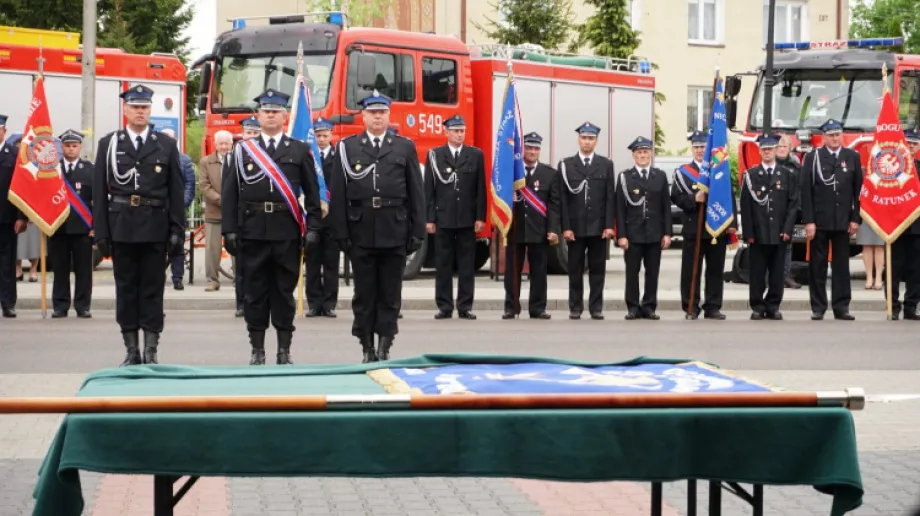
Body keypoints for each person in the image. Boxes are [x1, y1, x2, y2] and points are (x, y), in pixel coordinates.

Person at [221, 89, 322, 366]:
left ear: (284, 116)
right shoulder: (242, 150)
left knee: (284, 293)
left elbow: (313, 194)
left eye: (275, 111)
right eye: (266, 111)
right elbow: (231, 193)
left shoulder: (299, 150)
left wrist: (313, 227)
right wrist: (229, 230)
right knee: (254, 293)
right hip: (252, 231)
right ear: (258, 115)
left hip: (286, 232)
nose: (270, 116)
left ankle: (283, 350)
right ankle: (257, 350)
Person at [328, 91, 425, 363]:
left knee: (390, 293)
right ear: (364, 116)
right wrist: (341, 232)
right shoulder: (348, 148)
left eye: (382, 112)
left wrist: (417, 231)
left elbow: (416, 193)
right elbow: (339, 193)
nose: (378, 117)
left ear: (389, 115)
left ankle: (385, 344)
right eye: (372, 113)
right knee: (364, 294)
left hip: (394, 230)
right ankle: (366, 346)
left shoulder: (404, 147)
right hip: (360, 231)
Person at [92, 84, 186, 365]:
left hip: (155, 227)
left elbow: (176, 191)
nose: (140, 111)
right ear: (125, 109)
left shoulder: (165, 145)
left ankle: (151, 349)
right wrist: (101, 232)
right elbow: (99, 192)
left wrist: (177, 230)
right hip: (121, 227)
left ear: (150, 110)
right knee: (126, 289)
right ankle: (131, 349)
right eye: (135, 107)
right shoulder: (109, 144)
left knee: (153, 289)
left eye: (144, 107)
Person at [800, 119, 862, 320]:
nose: (835, 138)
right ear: (824, 137)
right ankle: (818, 307)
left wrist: (855, 219)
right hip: (819, 220)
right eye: (831, 135)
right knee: (817, 265)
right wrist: (809, 220)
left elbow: (858, 192)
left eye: (837, 135)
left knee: (841, 266)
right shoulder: (813, 157)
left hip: (843, 220)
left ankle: (841, 307)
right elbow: (806, 191)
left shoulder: (852, 156)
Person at [425, 114, 486, 320]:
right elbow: (429, 190)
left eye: (462, 131)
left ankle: (465, 306)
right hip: (444, 218)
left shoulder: (475, 155)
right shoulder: (435, 155)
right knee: (443, 264)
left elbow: (480, 189)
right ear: (447, 132)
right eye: (456, 131)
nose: (460, 135)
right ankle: (444, 306)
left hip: (467, 219)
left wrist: (480, 217)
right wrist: (429, 218)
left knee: (467, 265)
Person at [671, 130, 732, 320]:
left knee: (715, 270)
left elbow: (729, 198)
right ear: (692, 149)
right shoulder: (683, 172)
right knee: (691, 271)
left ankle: (712, 307)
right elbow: (676, 197)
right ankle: (691, 306)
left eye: (703, 147)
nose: (699, 150)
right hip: (693, 229)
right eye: (696, 147)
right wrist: (693, 199)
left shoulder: (719, 170)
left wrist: (732, 224)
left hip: (716, 228)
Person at [558, 122, 616, 320]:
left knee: (597, 270)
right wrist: (565, 227)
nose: (587, 142)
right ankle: (575, 307)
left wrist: (609, 225)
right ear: (578, 140)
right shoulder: (566, 165)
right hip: (575, 228)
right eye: (584, 138)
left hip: (598, 227)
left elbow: (609, 197)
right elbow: (563, 199)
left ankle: (596, 308)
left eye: (591, 138)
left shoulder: (606, 165)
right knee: (575, 270)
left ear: (596, 141)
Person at [502, 132, 561, 320]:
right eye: (529, 148)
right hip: (516, 228)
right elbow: (499, 195)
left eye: (536, 148)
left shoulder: (549, 174)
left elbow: (554, 205)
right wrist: (508, 198)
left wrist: (553, 229)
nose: (532, 151)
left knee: (539, 272)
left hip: (539, 229)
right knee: (512, 272)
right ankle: (511, 307)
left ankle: (537, 308)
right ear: (523, 149)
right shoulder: (512, 172)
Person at [741, 134, 800, 320]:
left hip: (779, 233)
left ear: (776, 150)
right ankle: (758, 306)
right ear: (760, 151)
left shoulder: (787, 175)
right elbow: (746, 206)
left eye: (770, 149)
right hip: (758, 234)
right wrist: (749, 233)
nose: (767, 152)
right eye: (764, 149)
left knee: (777, 274)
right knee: (757, 273)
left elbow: (793, 204)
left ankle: (773, 306)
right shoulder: (751, 176)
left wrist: (787, 230)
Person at [616, 136, 672, 320]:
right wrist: (621, 235)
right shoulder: (625, 177)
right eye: (639, 152)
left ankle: (649, 306)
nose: (642, 155)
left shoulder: (660, 176)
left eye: (646, 152)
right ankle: (633, 307)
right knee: (632, 273)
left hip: (654, 233)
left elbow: (665, 207)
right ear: (633, 155)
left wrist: (667, 233)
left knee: (652, 273)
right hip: (633, 234)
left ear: (651, 154)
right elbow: (620, 208)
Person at [49, 129, 94, 318]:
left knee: (84, 271)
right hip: (57, 228)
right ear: (62, 147)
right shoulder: (52, 170)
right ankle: (60, 306)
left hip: (82, 229)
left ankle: (83, 306)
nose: (70, 149)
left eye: (74, 146)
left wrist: (95, 226)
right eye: (67, 146)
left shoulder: (90, 170)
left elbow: (97, 201)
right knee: (60, 270)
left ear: (80, 147)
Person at [304, 116, 340, 318]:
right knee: (312, 263)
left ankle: (329, 304)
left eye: (325, 135)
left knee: (331, 263)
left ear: (331, 135)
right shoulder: (309, 157)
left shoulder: (338, 157)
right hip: (313, 216)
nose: (322, 139)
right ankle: (314, 303)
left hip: (333, 217)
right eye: (318, 136)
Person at [888, 127, 920, 320]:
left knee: (916, 270)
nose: (911, 146)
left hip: (917, 227)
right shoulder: (892, 168)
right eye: (908, 143)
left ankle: (911, 307)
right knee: (894, 268)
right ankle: (892, 307)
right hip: (896, 225)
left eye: (915, 144)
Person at [160, 128, 195, 291]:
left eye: (171, 138)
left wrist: (181, 204)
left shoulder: (184, 160)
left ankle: (177, 278)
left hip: (177, 210)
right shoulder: (156, 159)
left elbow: (190, 185)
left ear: (176, 141)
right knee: (159, 245)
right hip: (159, 210)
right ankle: (159, 276)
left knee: (177, 244)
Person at [0, 114, 28, 318]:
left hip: (7, 218)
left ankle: (8, 303)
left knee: (7, 264)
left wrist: (21, 216)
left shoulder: (15, 155)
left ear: (4, 131)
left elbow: (22, 187)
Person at [198, 130, 233, 293]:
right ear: (215, 144)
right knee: (212, 249)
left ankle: (239, 279)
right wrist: (222, 200)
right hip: (214, 212)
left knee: (236, 247)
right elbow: (204, 186)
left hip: (233, 213)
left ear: (231, 144)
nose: (224, 147)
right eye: (221, 143)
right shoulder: (206, 162)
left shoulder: (238, 160)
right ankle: (212, 280)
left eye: (227, 143)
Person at [774, 135, 802, 289]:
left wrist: (797, 210)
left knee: (787, 245)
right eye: (778, 146)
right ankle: (772, 275)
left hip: (790, 212)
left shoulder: (796, 168)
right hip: (772, 211)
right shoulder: (770, 165)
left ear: (790, 149)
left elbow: (799, 190)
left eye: (784, 147)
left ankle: (785, 275)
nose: (781, 149)